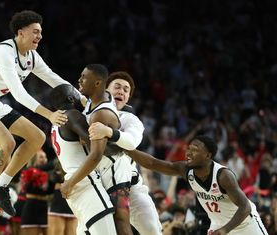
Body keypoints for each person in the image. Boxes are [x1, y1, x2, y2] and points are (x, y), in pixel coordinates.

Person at [0, 10, 81, 234]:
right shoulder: (3, 52)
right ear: (20, 33)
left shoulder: (31, 57)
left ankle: (1, 185)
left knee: (37, 137)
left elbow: (54, 79)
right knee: (7, 142)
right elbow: (19, 95)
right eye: (35, 31)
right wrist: (49, 115)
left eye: (41, 32)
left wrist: (84, 99)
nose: (40, 36)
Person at [127, 135, 268, 235]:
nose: (188, 152)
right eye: (189, 148)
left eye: (194, 149)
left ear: (208, 156)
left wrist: (226, 229)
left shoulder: (223, 176)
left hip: (244, 224)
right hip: (219, 226)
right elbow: (153, 163)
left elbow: (245, 206)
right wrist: (126, 148)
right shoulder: (185, 170)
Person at [88, 71, 162, 234]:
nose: (121, 91)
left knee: (152, 230)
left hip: (130, 186)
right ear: (106, 89)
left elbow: (131, 142)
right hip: (96, 185)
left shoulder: (130, 119)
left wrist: (108, 132)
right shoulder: (88, 112)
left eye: (126, 90)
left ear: (128, 98)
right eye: (117, 87)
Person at [50, 83, 117, 235]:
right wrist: (120, 143)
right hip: (85, 182)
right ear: (70, 97)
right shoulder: (72, 114)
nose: (81, 96)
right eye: (76, 93)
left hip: (74, 184)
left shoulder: (55, 124)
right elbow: (99, 147)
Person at [47, 159, 77, 235]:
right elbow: (54, 179)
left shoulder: (79, 163)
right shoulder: (58, 164)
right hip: (58, 206)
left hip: (73, 204)